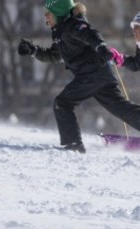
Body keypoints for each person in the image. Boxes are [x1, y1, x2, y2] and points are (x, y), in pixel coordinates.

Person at [18, 0, 140, 153]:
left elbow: (91, 35)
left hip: (91, 74)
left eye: (49, 13)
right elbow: (54, 55)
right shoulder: (60, 32)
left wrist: (101, 47)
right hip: (98, 76)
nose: (46, 17)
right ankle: (73, 143)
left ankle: (73, 144)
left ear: (59, 12)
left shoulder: (74, 25)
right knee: (121, 108)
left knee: (62, 103)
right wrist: (33, 50)